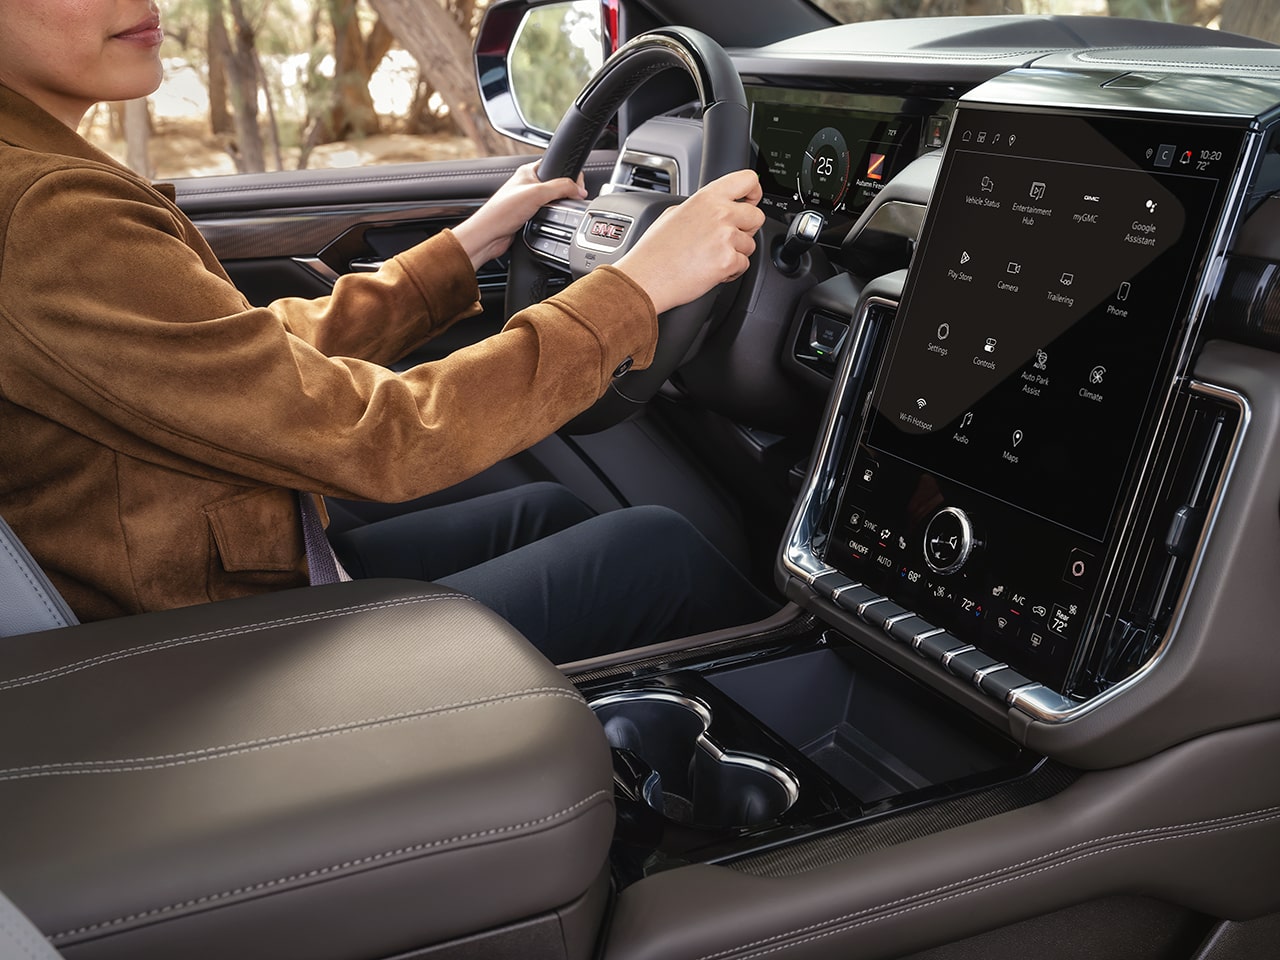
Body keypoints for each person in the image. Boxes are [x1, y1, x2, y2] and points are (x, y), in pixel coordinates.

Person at [0, 1, 777, 661]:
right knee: (656, 554)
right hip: (190, 654)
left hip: (196, 588)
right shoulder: (48, 213)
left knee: (551, 514)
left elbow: (239, 357)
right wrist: (634, 290)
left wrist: (464, 249)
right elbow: (379, 437)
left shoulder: (38, 183)